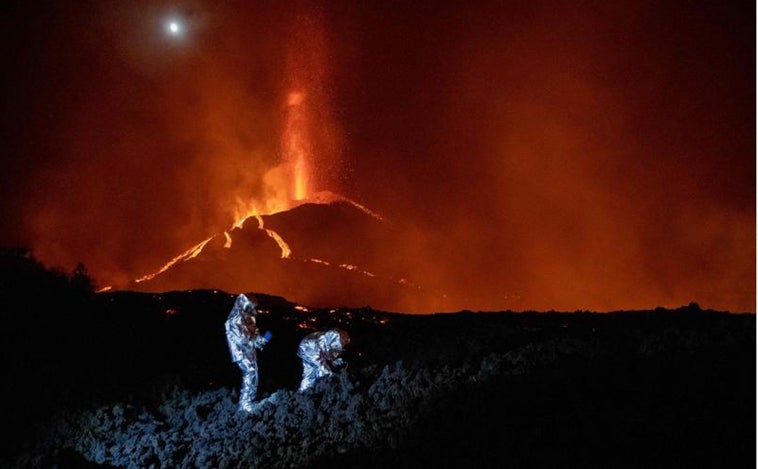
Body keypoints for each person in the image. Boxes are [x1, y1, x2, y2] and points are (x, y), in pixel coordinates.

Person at [224, 293, 271, 412]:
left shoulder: (247, 317)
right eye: (251, 307)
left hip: (249, 351)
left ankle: (249, 401)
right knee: (250, 372)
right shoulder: (235, 320)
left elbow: (253, 334)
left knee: (253, 373)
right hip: (242, 352)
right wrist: (255, 340)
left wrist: (262, 339)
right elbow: (242, 338)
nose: (253, 310)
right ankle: (246, 403)